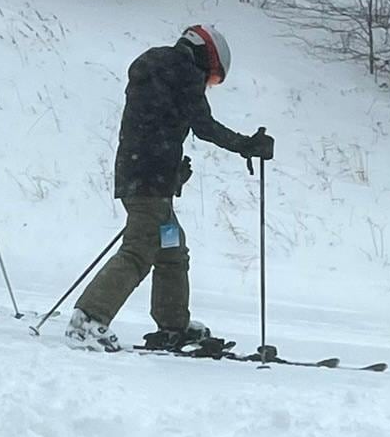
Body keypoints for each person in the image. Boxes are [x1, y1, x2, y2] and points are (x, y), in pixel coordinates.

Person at [66, 25, 272, 351]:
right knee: (139, 248)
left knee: (171, 248)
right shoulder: (185, 72)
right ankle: (89, 318)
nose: (208, 83)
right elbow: (203, 126)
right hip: (150, 179)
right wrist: (246, 145)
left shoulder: (155, 66)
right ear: (207, 56)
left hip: (140, 172)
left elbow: (152, 124)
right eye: (213, 77)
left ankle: (173, 325)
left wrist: (171, 170)